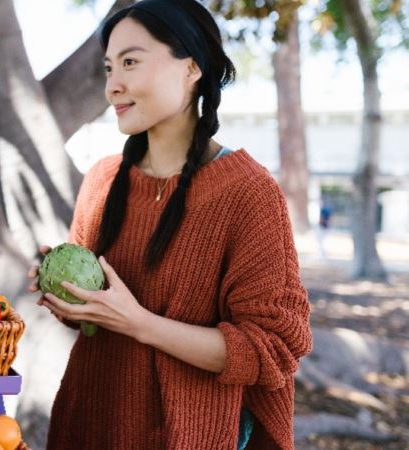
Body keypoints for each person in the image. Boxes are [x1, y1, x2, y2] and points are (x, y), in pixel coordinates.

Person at [27, 1, 313, 449]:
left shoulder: (247, 193)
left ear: (192, 67)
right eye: (107, 69)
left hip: (188, 435)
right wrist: (70, 303)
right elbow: (94, 322)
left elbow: (271, 349)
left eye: (131, 62)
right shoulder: (102, 181)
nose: (113, 86)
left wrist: (140, 323)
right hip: (92, 424)